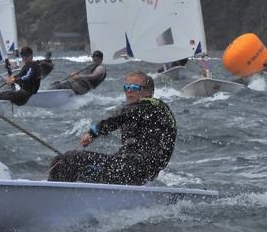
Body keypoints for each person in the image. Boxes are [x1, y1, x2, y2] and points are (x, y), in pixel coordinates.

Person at [48, 71, 176, 185]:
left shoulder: (153, 106)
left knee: (72, 159)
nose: (129, 91)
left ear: (149, 92)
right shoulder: (143, 112)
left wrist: (93, 133)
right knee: (60, 161)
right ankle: (60, 191)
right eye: (126, 87)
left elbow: (119, 118)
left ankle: (52, 196)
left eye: (134, 87)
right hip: (128, 168)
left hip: (134, 170)